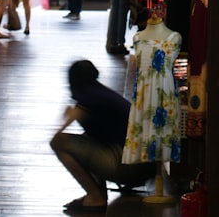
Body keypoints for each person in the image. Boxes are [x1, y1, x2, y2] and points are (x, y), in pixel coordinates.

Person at [51, 60, 155, 214]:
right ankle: (97, 194)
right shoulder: (101, 93)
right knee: (87, 139)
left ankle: (95, 196)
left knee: (58, 143)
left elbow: (59, 134)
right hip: (144, 168)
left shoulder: (87, 97)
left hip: (128, 168)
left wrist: (68, 117)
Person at [122, 16, 182, 165]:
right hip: (144, 91)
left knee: (163, 126)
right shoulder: (137, 37)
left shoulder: (174, 37)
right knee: (144, 124)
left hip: (164, 90)